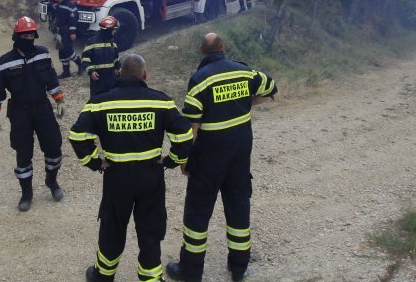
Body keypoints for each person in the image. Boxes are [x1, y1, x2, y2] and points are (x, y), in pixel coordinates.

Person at [69, 53, 193, 282]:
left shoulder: (100, 102)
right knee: (150, 229)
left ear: (120, 74)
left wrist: (95, 162)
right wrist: (170, 161)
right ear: (144, 74)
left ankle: (102, 276)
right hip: (151, 177)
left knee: (113, 227)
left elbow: (76, 135)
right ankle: (151, 278)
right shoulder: (161, 101)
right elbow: (185, 135)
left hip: (117, 178)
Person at [165, 33, 277, 282]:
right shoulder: (245, 72)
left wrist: (184, 159)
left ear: (202, 50)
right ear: (223, 48)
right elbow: (271, 91)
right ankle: (238, 268)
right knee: (238, 206)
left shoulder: (199, 80)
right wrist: (247, 104)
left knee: (197, 212)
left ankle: (190, 272)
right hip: (239, 154)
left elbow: (192, 128)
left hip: (208, 158)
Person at [0, 16, 67, 212]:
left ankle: (52, 181)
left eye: (32, 34)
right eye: (25, 34)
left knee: (54, 146)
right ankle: (26, 193)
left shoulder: (43, 54)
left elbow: (51, 79)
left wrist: (59, 100)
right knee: (23, 153)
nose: (29, 37)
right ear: (17, 36)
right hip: (19, 111)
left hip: (42, 107)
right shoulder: (4, 62)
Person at [80, 15, 121, 97]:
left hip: (112, 80)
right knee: (97, 103)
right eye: (114, 30)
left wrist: (120, 71)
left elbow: (116, 60)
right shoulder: (91, 42)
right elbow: (85, 61)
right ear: (108, 30)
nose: (115, 32)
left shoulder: (113, 42)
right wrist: (91, 71)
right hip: (98, 81)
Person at [48, 0, 83, 78]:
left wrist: (72, 32)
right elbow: (50, 7)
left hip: (67, 31)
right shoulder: (58, 4)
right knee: (62, 51)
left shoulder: (71, 6)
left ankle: (80, 64)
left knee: (67, 50)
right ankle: (66, 72)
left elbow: (73, 20)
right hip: (60, 31)